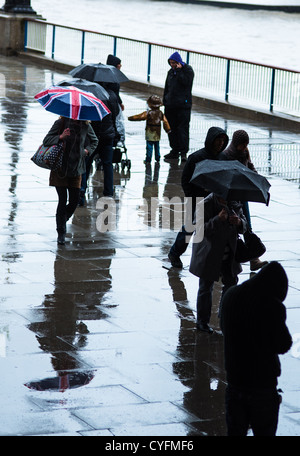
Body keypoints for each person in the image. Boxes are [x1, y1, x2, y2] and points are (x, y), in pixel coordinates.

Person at [220, 261, 293, 436]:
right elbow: (283, 344)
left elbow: (223, 328)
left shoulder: (230, 295)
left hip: (235, 381)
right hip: (262, 385)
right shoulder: (271, 306)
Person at [168, 126, 229, 268]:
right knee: (190, 227)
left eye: (223, 140)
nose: (220, 143)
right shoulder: (196, 157)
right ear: (211, 140)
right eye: (218, 140)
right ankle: (175, 253)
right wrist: (193, 197)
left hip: (214, 200)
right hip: (196, 199)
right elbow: (185, 180)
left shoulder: (223, 158)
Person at [189, 193, 247, 333]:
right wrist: (217, 219)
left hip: (229, 254)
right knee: (205, 287)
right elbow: (200, 230)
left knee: (231, 284)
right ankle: (202, 322)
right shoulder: (205, 204)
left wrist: (239, 222)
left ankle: (225, 315)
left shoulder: (234, 201)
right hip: (209, 254)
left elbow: (244, 224)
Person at [43, 117, 98, 245]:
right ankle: (61, 232)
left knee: (74, 201)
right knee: (62, 200)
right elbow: (46, 140)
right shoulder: (60, 123)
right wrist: (61, 136)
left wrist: (87, 151)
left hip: (76, 169)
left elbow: (94, 141)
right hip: (60, 169)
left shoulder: (85, 125)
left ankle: (63, 219)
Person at [220, 129, 268, 272]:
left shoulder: (245, 152)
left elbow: (250, 165)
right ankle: (225, 260)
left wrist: (256, 178)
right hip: (231, 196)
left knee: (247, 225)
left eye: (246, 144)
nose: (244, 147)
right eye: (242, 144)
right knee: (232, 228)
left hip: (242, 194)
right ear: (236, 143)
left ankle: (254, 259)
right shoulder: (226, 155)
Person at [80, 82, 120, 203]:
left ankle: (82, 191)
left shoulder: (90, 96)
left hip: (93, 137)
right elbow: (116, 113)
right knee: (107, 164)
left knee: (86, 163)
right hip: (108, 135)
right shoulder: (112, 95)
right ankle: (108, 192)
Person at [163, 51, 194, 162]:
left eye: (174, 63)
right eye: (171, 63)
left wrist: (180, 70)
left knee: (183, 129)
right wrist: (165, 100)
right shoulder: (170, 72)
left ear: (179, 62)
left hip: (183, 106)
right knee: (171, 129)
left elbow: (186, 83)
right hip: (170, 106)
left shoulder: (188, 70)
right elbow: (167, 87)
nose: (172, 65)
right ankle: (174, 150)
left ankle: (183, 152)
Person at [128, 95, 171, 163]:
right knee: (157, 145)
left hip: (150, 131)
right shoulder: (160, 113)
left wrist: (130, 118)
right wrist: (168, 129)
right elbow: (165, 122)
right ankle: (157, 158)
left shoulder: (148, 113)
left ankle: (148, 159)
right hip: (157, 132)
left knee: (149, 146)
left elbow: (139, 116)